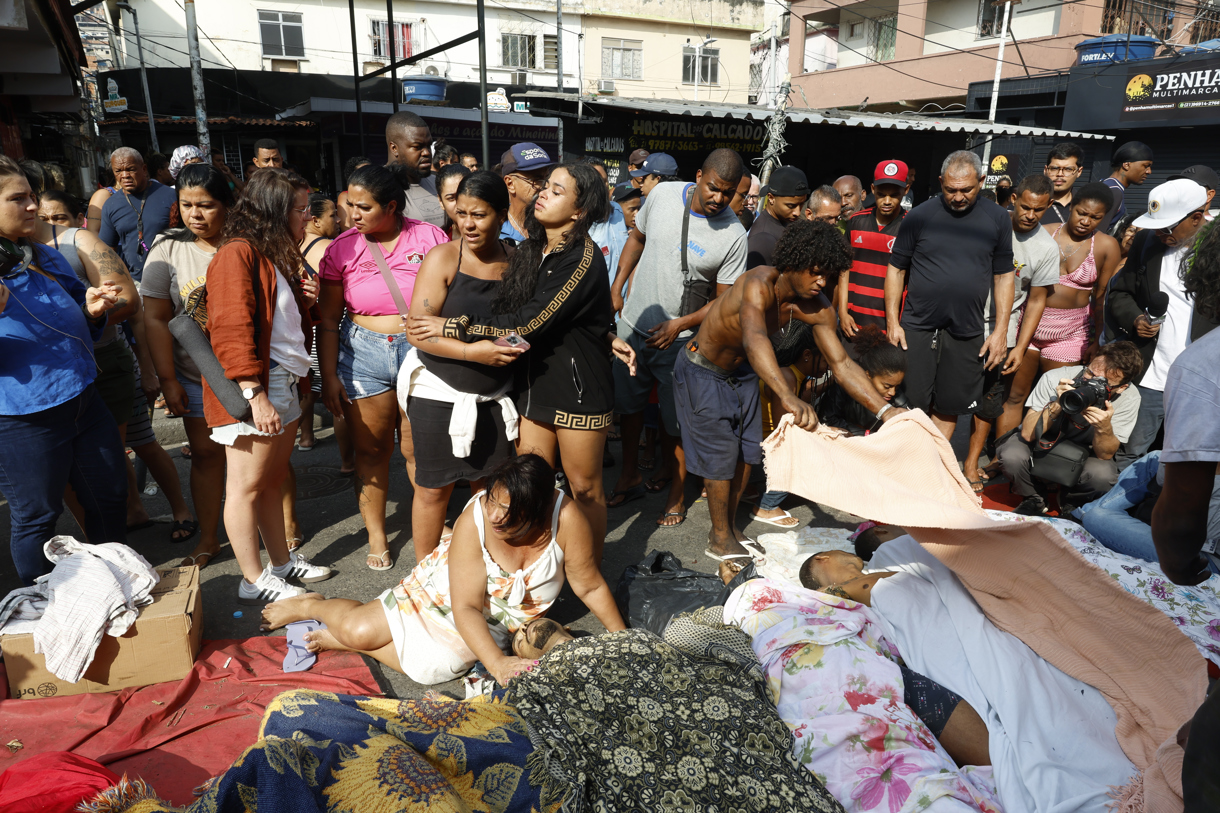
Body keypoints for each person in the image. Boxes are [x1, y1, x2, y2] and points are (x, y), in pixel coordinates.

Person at [409, 162, 636, 546]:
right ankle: (539, 564)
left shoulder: (580, 256)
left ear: (579, 211)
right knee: (531, 484)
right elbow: (559, 312)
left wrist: (454, 325)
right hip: (532, 385)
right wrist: (604, 331)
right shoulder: (532, 249)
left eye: (558, 191)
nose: (544, 193)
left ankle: (587, 568)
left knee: (584, 488)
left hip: (578, 390)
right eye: (546, 186)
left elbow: (529, 322)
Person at [259, 453, 627, 687]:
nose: (495, 516)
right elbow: (465, 606)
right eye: (493, 501)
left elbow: (590, 587)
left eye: (508, 512)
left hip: (503, 621)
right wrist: (497, 664)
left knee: (435, 669)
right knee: (360, 630)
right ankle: (312, 605)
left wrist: (625, 642)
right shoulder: (476, 518)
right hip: (445, 592)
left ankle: (347, 641)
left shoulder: (567, 520)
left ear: (539, 513)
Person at [676, 219, 901, 563]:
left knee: (748, 453)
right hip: (703, 369)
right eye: (815, 272)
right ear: (794, 262)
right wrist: (787, 394)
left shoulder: (818, 307)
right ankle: (719, 538)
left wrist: (886, 411)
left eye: (828, 275)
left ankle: (730, 528)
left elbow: (841, 364)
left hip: (742, 372)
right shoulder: (758, 283)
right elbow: (754, 338)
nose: (821, 282)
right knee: (721, 457)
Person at [204, 167, 334, 603]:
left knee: (271, 480)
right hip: (259, 383)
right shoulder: (236, 253)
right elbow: (230, 329)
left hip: (283, 377)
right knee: (245, 487)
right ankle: (252, 580)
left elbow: (281, 324)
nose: (307, 218)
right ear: (275, 212)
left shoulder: (270, 252)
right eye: (300, 210)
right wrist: (253, 394)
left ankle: (280, 565)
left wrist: (306, 302)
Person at [0, 155, 127, 584]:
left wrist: (92, 309)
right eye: (18, 198)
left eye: (31, 196)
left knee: (109, 496)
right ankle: (40, 607)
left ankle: (112, 586)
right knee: (37, 518)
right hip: (23, 420)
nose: (32, 206)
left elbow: (77, 313)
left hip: (84, 399)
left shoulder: (41, 255)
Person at [607, 149, 747, 529]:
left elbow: (723, 302)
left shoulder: (734, 236)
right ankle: (629, 476)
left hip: (680, 343)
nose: (719, 198)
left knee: (676, 424)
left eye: (728, 192)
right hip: (633, 327)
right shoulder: (663, 195)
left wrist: (678, 325)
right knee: (629, 410)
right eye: (713, 187)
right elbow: (636, 239)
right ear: (699, 176)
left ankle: (676, 495)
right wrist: (617, 286)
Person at [318, 163, 448, 570]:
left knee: (417, 448)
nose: (352, 214)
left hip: (421, 354)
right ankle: (376, 533)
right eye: (350, 205)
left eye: (364, 207)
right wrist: (329, 376)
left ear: (391, 206)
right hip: (363, 355)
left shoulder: (430, 238)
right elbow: (327, 320)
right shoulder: (341, 248)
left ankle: (432, 523)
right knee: (371, 450)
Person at [403, 171, 520, 561]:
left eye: (479, 215)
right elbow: (418, 332)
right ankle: (423, 573)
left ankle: (483, 567)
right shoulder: (442, 258)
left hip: (495, 398)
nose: (467, 224)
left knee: (489, 491)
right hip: (437, 394)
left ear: (502, 215)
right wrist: (475, 353)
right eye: (462, 213)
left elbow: (524, 330)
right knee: (433, 490)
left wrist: (496, 344)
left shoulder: (518, 262)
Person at [140, 163, 239, 568]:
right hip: (195, 376)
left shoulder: (247, 243)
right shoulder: (167, 248)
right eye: (186, 205)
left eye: (206, 205)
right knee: (206, 455)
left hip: (251, 372)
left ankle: (285, 530)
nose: (195, 214)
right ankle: (210, 538)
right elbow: (155, 317)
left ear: (227, 205)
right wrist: (167, 379)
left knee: (261, 457)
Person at [885, 150, 1015, 441]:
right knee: (909, 404)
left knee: (949, 406)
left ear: (981, 181)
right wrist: (893, 323)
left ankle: (933, 461)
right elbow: (896, 269)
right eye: (950, 189)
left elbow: (1004, 275)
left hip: (967, 329)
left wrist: (1000, 332)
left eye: (966, 189)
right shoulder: (919, 216)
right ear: (941, 181)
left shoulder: (997, 218)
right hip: (917, 326)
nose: (958, 197)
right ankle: (906, 460)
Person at [1108, 179, 1217, 469]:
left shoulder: (1216, 250)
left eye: (1167, 227)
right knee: (1130, 455)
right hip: (1152, 376)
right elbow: (1120, 293)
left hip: (1201, 382)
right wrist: (1135, 318)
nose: (1159, 233)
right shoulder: (1146, 242)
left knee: (1189, 462)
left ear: (1196, 218)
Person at [965, 174, 1061, 491]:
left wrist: (1019, 347)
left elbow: (1036, 300)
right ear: (1015, 198)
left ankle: (971, 463)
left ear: (1049, 206)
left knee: (988, 400)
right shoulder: (989, 223)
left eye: (1039, 210)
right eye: (1025, 207)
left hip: (1000, 332)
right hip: (962, 320)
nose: (1030, 215)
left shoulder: (1046, 248)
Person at [996, 341, 1144, 515]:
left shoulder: (1130, 398)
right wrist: (1058, 403)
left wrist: (1104, 427)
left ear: (1121, 387)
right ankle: (1033, 497)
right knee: (1011, 454)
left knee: (1103, 476)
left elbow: (1105, 455)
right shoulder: (1057, 377)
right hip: (1042, 440)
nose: (1091, 383)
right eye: (1090, 373)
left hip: (1085, 451)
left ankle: (1072, 502)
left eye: (1102, 383)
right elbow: (1028, 434)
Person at [839, 159, 909, 337]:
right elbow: (844, 269)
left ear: (906, 190)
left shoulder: (910, 227)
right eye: (881, 194)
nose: (887, 201)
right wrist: (842, 312)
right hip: (852, 324)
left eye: (894, 195)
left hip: (888, 328)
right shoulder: (856, 222)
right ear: (872, 189)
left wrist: (895, 325)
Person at [297, 192, 344, 455]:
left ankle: (305, 437)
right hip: (325, 326)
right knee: (331, 384)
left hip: (306, 326)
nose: (338, 220)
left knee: (309, 387)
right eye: (332, 215)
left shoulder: (294, 245)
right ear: (315, 220)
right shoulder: (329, 248)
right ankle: (348, 459)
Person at [98, 147, 178, 282]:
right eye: (118, 171)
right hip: (137, 282)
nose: (125, 175)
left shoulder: (170, 196)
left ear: (144, 169)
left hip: (173, 278)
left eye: (130, 169)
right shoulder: (111, 205)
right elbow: (107, 251)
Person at [818, 324, 908, 434]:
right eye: (886, 386)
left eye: (897, 387)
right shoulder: (843, 387)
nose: (892, 392)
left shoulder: (897, 397)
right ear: (868, 375)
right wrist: (866, 435)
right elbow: (827, 420)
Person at [385, 110, 445, 228]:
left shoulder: (438, 182)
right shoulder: (376, 188)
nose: (427, 153)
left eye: (428, 146)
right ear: (394, 148)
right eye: (417, 147)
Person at [745, 166, 809, 270]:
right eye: (791, 206)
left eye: (801, 204)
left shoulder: (787, 222)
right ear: (771, 198)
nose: (797, 213)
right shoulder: (762, 240)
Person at [498, 142, 554, 243]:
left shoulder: (554, 225)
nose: (544, 187)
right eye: (536, 179)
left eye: (546, 178)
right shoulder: (496, 231)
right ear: (510, 183)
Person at [1098, 141, 1154, 235]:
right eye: (1146, 166)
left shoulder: (1106, 184)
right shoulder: (1114, 191)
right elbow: (1097, 233)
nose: (1149, 171)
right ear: (1126, 165)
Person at [1041, 142, 1084, 226]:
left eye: (1068, 169)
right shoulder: (1032, 204)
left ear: (1079, 172)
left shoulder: (1085, 205)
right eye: (1054, 168)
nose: (1060, 174)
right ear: (1045, 170)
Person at [435, 162, 472, 240]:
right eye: (451, 198)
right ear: (441, 201)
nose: (459, 203)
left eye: (463, 194)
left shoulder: (493, 232)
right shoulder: (438, 239)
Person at [336, 156, 371, 231]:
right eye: (363, 173)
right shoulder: (345, 196)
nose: (368, 176)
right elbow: (346, 228)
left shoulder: (376, 193)